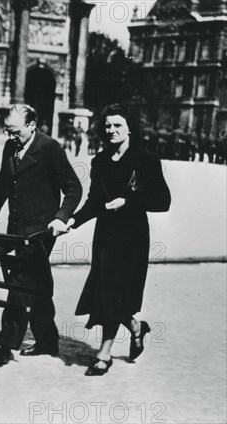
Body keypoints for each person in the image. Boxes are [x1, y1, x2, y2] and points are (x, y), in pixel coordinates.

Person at [65, 104, 171, 376]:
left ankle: (104, 353)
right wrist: (72, 221)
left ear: (130, 129)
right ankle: (135, 327)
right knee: (105, 292)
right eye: (108, 126)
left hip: (132, 236)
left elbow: (163, 200)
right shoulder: (99, 162)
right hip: (105, 236)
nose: (111, 130)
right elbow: (94, 203)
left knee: (114, 292)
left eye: (118, 125)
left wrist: (128, 201)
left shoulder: (145, 159)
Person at [0, 104, 82, 365]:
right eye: (7, 132)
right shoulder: (11, 147)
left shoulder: (50, 148)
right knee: (37, 281)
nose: (11, 137)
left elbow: (73, 189)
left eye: (15, 132)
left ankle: (4, 346)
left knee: (19, 281)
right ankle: (47, 340)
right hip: (16, 227)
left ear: (31, 125)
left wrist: (61, 218)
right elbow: (4, 180)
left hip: (41, 230)